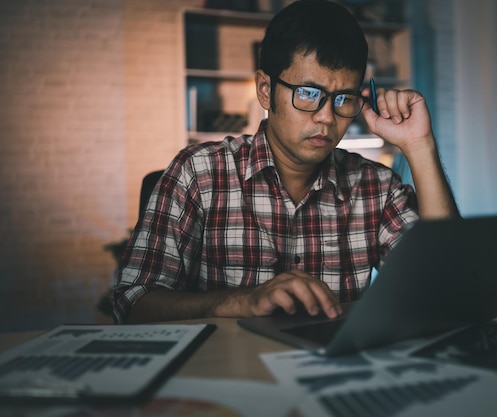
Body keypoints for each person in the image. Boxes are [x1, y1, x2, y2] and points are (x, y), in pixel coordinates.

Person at [113, 0, 459, 324]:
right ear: (265, 89)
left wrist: (420, 145)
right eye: (308, 94)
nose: (326, 118)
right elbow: (133, 302)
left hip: (335, 375)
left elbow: (446, 288)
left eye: (344, 98)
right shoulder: (199, 173)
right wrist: (239, 302)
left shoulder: (376, 187)